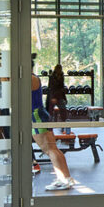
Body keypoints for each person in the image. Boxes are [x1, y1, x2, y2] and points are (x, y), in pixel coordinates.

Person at [32, 55, 76, 192]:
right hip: (39, 115)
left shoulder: (30, 78)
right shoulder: (32, 77)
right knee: (53, 149)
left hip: (36, 116)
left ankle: (63, 180)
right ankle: (65, 178)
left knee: (49, 149)